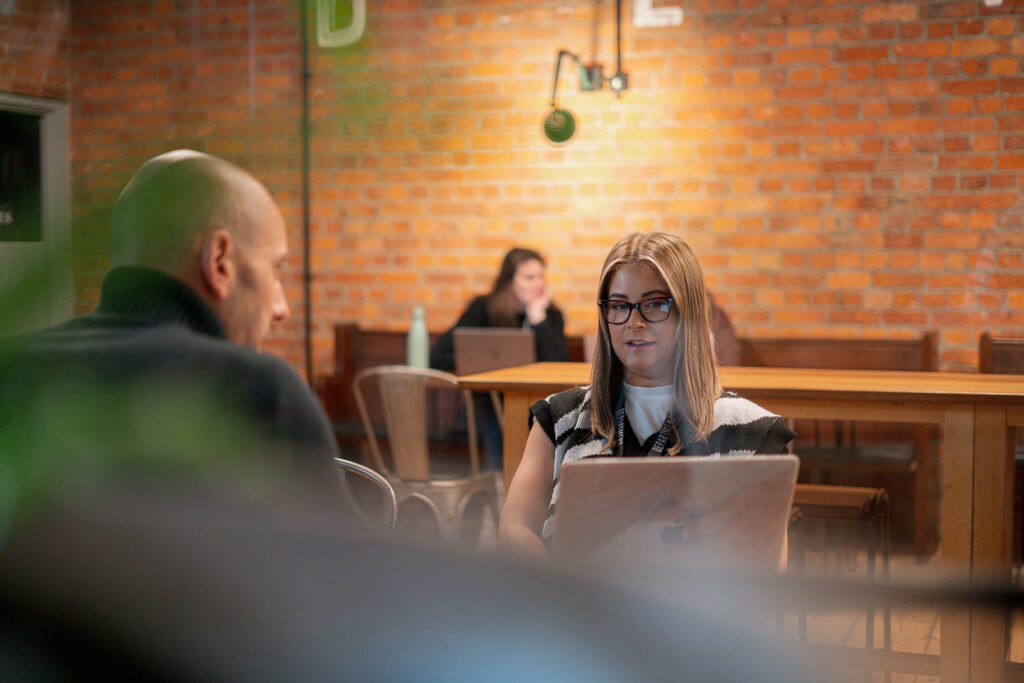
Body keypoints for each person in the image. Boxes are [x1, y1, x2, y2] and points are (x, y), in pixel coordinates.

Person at [0, 150, 362, 529]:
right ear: (219, 261)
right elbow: (354, 581)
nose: (280, 307)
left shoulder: (8, 367)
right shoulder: (258, 392)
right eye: (275, 269)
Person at [498, 232, 795, 559]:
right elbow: (515, 528)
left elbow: (767, 565)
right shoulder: (559, 418)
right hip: (572, 604)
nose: (634, 322)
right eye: (619, 306)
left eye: (654, 304)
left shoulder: (751, 430)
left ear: (688, 313)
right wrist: (557, 591)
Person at [430, 247, 569, 469]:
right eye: (529, 277)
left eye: (541, 277)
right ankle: (500, 480)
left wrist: (538, 318)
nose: (538, 283)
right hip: (488, 401)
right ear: (509, 280)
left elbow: (560, 365)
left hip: (537, 403)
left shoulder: (550, 314)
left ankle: (513, 481)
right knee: (495, 407)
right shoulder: (483, 308)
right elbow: (438, 356)